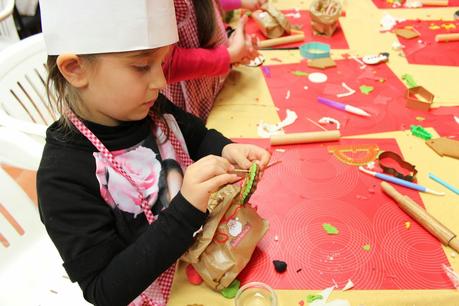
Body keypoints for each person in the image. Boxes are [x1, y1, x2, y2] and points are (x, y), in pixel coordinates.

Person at [37, 1, 270, 305]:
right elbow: (104, 290)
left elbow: (195, 136)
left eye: (162, 63)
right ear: (75, 69)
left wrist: (227, 148)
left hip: (203, 267)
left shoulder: (151, 109)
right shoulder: (62, 177)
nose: (160, 82)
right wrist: (186, 208)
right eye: (142, 66)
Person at [162, 0, 266, 120]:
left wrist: (229, 36)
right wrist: (230, 54)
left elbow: (206, 15)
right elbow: (165, 63)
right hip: (186, 106)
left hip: (212, 89)